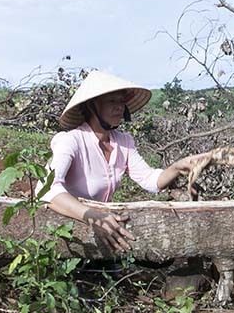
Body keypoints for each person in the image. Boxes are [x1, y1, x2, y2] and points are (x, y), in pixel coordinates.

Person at [37, 71, 206, 252]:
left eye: (121, 102)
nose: (119, 107)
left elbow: (149, 179)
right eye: (112, 101)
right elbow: (45, 190)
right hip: (71, 234)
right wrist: (93, 217)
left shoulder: (123, 142)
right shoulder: (71, 141)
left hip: (105, 232)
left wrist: (176, 167)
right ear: (92, 106)